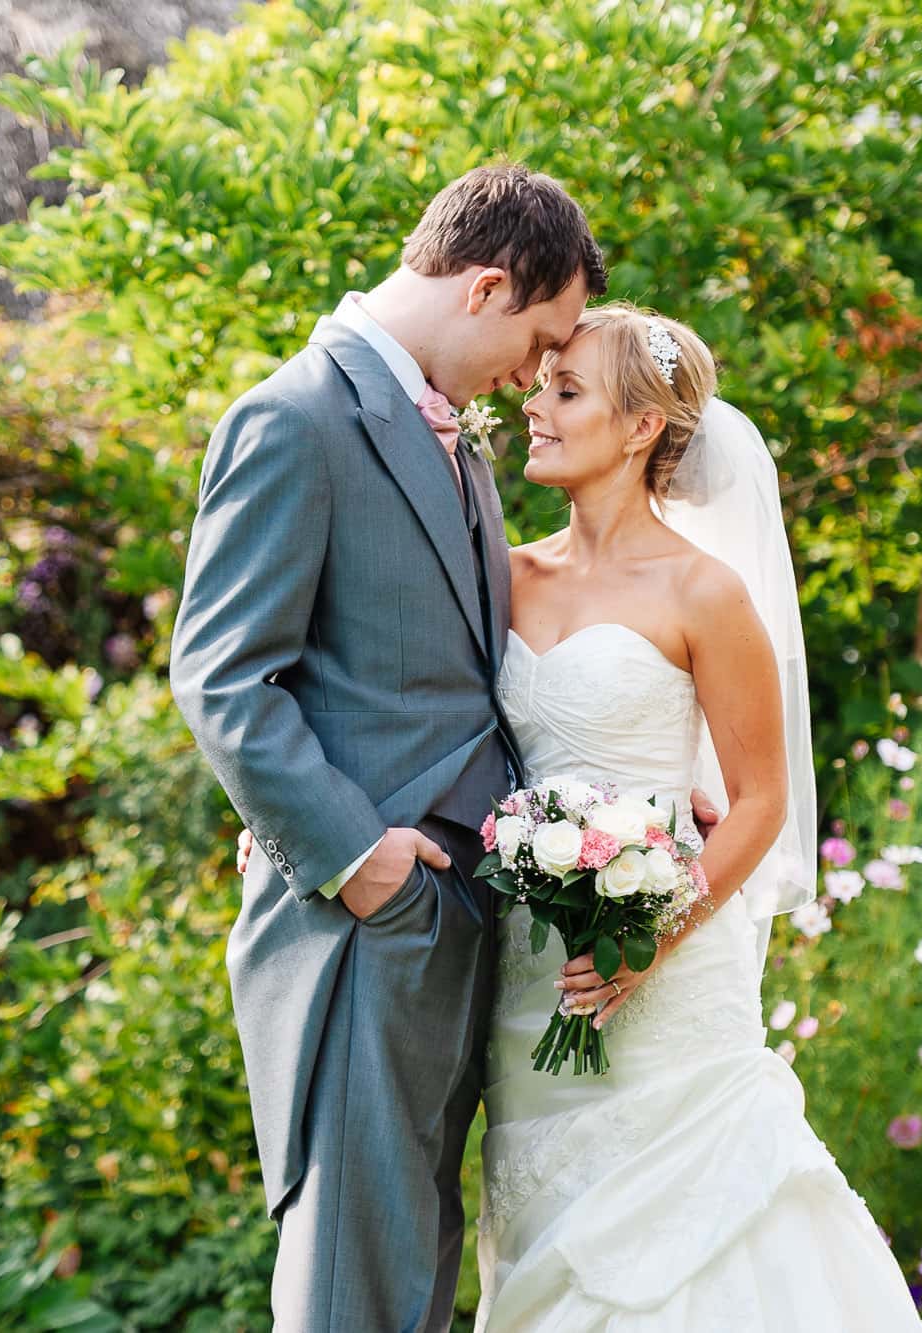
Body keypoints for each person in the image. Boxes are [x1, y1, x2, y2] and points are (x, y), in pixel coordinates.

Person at [169, 163, 603, 1330]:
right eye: (540, 341)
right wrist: (357, 856)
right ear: (486, 287)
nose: (535, 378)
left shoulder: (451, 434)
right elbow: (220, 676)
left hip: (450, 918)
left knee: (412, 1264)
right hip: (360, 922)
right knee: (351, 1281)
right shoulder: (293, 415)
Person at [475, 302, 922, 1330]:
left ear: (639, 429)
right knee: (548, 1238)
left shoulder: (704, 592)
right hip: (525, 975)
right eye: (541, 387)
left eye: (564, 391)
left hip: (661, 977)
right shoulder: (501, 574)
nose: (532, 410)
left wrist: (648, 940)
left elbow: (760, 799)